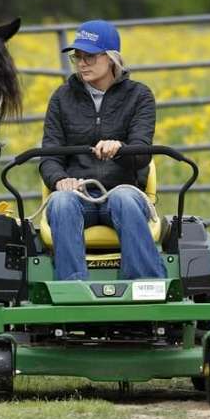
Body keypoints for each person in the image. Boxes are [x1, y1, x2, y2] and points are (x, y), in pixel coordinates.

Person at [39, 19, 166, 281]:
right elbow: (49, 157)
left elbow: (142, 153)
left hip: (123, 191)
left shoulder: (140, 96)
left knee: (124, 199)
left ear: (111, 59)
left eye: (90, 56)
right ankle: (72, 290)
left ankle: (147, 287)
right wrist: (60, 180)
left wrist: (120, 148)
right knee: (62, 202)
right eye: (78, 57)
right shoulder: (61, 98)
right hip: (78, 196)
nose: (82, 63)